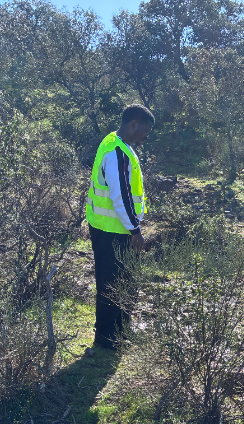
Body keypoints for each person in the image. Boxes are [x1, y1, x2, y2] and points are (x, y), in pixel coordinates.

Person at [86, 104, 154, 349]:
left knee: (119, 280)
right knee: (111, 282)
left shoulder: (114, 143)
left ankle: (119, 329)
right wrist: (135, 231)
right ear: (134, 123)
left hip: (109, 227)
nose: (146, 136)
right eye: (145, 130)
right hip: (113, 230)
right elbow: (121, 196)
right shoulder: (117, 152)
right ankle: (106, 338)